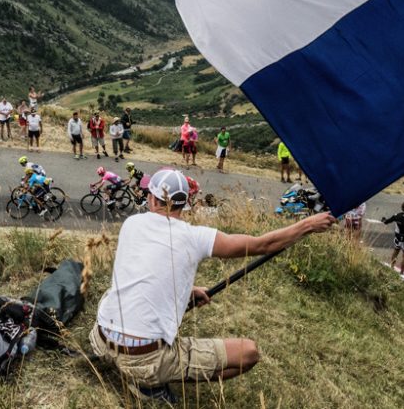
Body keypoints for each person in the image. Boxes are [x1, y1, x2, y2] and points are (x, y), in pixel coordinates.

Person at [90, 168, 336, 400]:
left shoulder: (131, 224)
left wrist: (188, 291)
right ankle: (149, 384)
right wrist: (308, 225)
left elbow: (144, 270)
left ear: (152, 199)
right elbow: (262, 245)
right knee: (248, 352)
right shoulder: (195, 237)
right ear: (184, 203)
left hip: (100, 340)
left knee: (119, 289)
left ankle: (122, 362)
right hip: (144, 361)